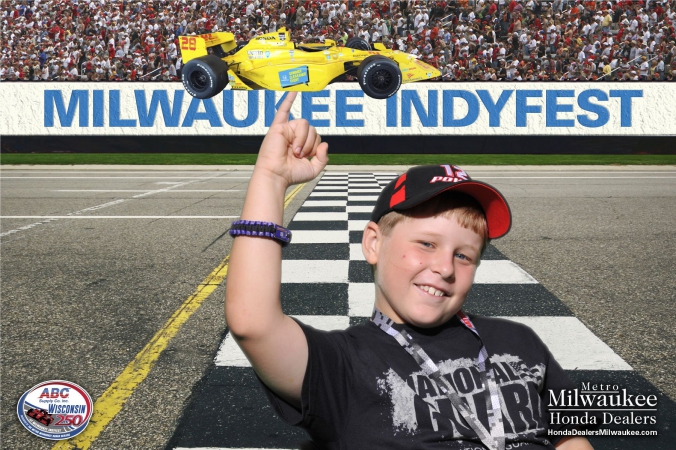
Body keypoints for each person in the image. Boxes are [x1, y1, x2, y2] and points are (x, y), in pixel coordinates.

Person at [224, 93, 594, 448]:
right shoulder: (345, 364)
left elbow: (572, 438)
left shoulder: (520, 340)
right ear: (373, 243)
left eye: (465, 256)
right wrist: (270, 179)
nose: (445, 267)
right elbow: (252, 323)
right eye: (426, 244)